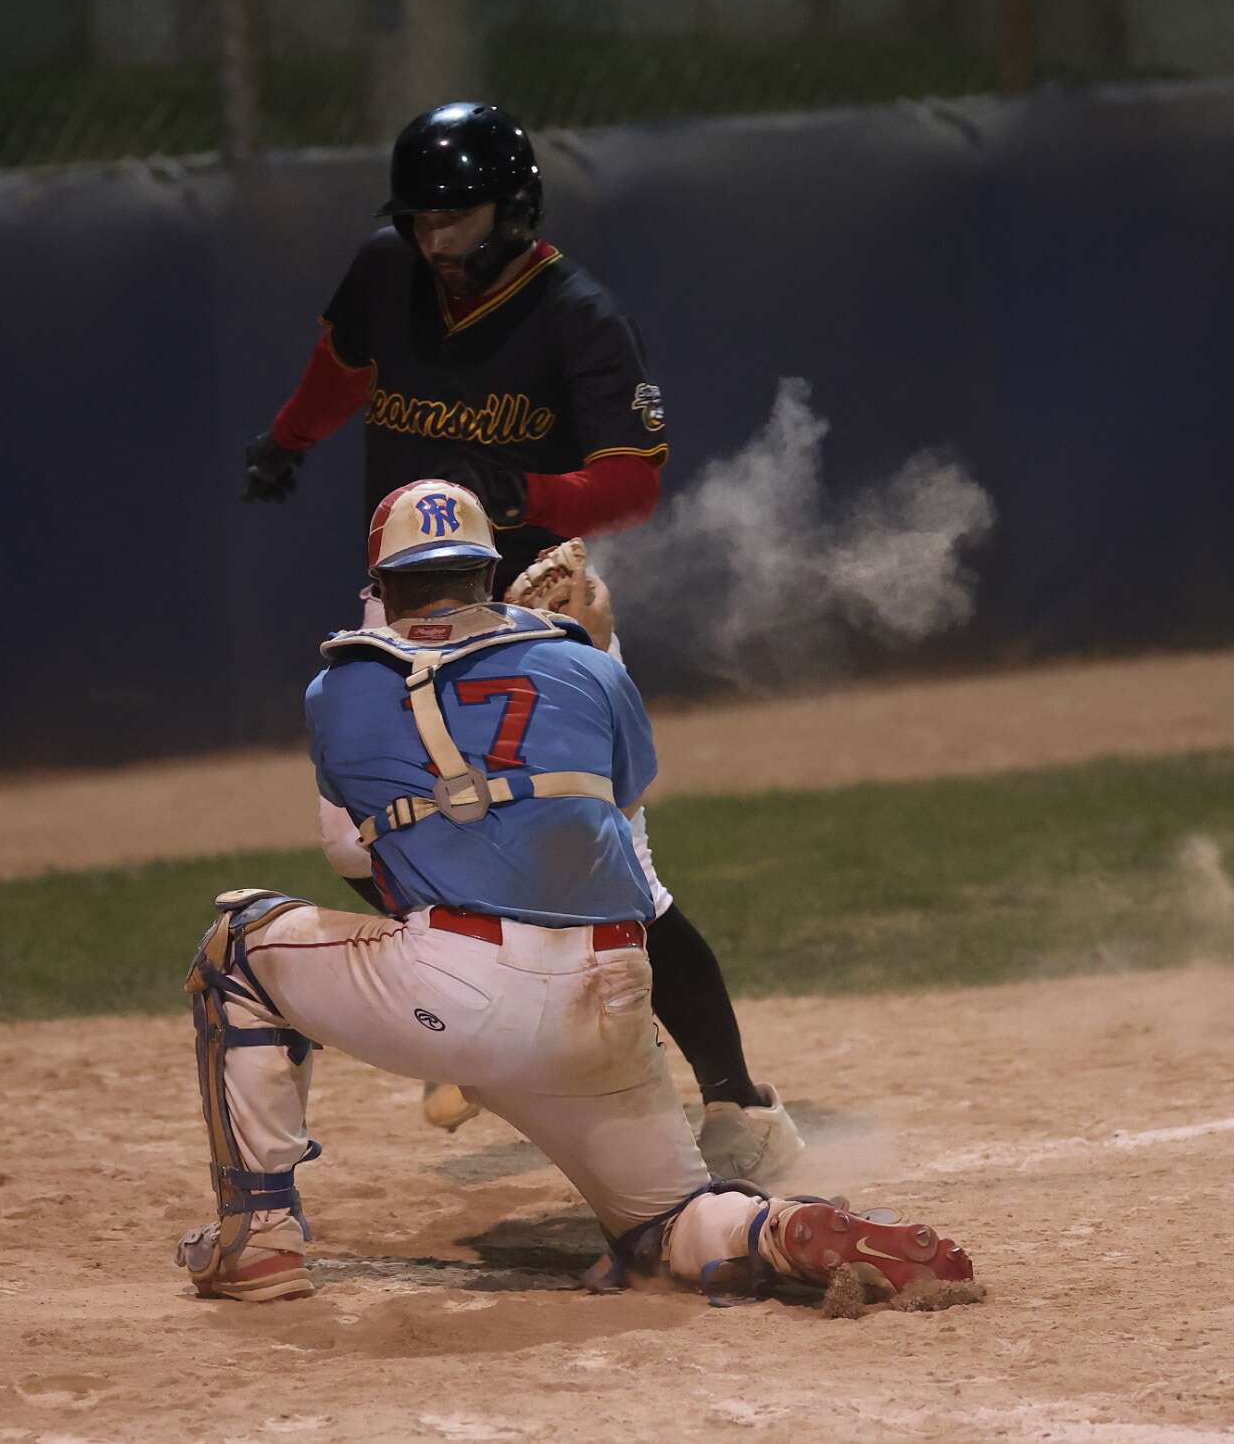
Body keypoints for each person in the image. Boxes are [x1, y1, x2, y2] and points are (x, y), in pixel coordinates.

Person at [175, 479, 973, 1304]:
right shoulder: (584, 663)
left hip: (456, 987)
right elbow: (619, 804)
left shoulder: (338, 690)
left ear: (382, 587)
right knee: (666, 1225)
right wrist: (588, 643)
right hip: (611, 995)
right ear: (488, 572)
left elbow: (357, 842)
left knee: (237, 947)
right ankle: (777, 1230)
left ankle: (256, 1242)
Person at [238, 100, 799, 1181]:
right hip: (403, 610)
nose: (432, 239)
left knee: (615, 871)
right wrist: (291, 437)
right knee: (355, 838)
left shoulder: (576, 316)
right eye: (419, 219)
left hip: (533, 611)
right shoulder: (386, 269)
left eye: (455, 217)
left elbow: (631, 484)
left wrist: (527, 494)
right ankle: (476, 997)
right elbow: (345, 366)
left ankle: (736, 1102)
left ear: (513, 209)